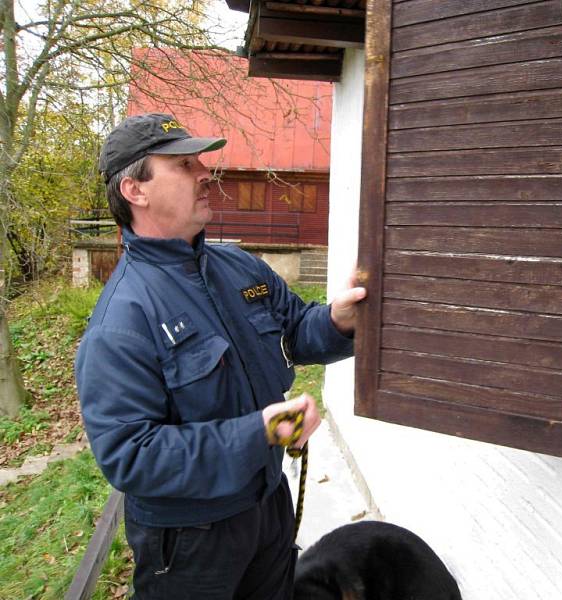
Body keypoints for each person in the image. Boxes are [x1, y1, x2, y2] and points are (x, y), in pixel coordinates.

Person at [75, 113, 365, 599]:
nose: (206, 173)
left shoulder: (238, 267)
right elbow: (131, 456)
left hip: (267, 505)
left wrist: (338, 320)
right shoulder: (121, 321)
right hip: (191, 543)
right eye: (185, 165)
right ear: (135, 191)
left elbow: (295, 329)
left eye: (201, 162)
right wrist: (262, 433)